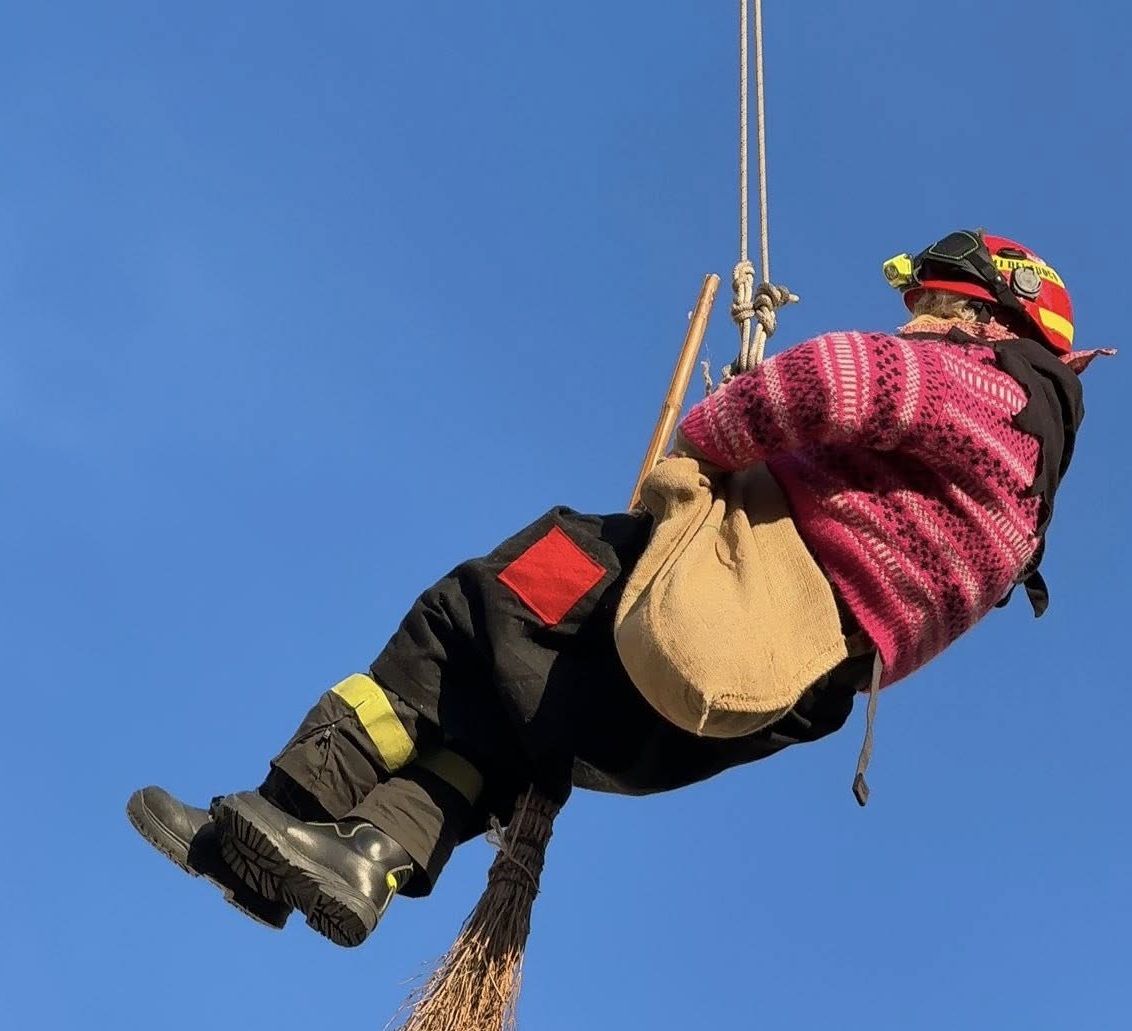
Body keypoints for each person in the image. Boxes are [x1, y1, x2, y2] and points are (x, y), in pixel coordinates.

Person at [127, 229, 1109, 949]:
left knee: (468, 612)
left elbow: (838, 376)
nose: (914, 318)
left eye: (928, 302)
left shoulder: (991, 381)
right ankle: (365, 854)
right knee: (500, 723)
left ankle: (276, 806)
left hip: (705, 597)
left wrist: (709, 440)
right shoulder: (1021, 509)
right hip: (760, 700)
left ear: (983, 311)